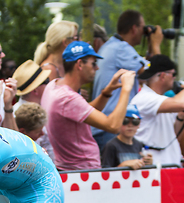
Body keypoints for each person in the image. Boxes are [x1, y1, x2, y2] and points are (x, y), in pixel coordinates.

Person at [41, 40, 136, 171]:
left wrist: (107, 92)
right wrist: (126, 89)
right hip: (83, 171)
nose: (97, 68)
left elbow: (83, 112)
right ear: (80, 64)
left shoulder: (54, 86)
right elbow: (113, 126)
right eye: (93, 63)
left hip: (71, 169)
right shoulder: (67, 98)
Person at [91, 10, 163, 152]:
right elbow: (153, 71)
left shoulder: (112, 46)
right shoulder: (121, 48)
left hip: (104, 125)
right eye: (143, 28)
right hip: (111, 127)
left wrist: (149, 46)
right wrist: (156, 44)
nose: (144, 31)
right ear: (134, 29)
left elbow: (145, 67)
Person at [130, 54, 184, 166]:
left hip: (167, 166)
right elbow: (181, 103)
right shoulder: (145, 98)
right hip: (154, 170)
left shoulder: (162, 100)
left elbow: (174, 136)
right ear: (163, 76)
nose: (174, 78)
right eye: (173, 74)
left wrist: (181, 116)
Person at [12, 60, 54, 160]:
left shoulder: (45, 106)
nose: (48, 85)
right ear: (35, 90)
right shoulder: (16, 115)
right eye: (46, 81)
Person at [101, 104, 153, 169]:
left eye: (135, 121)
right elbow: (105, 172)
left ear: (139, 124)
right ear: (118, 122)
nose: (130, 125)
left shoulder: (138, 144)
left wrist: (147, 164)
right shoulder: (111, 146)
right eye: (125, 121)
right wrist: (123, 165)